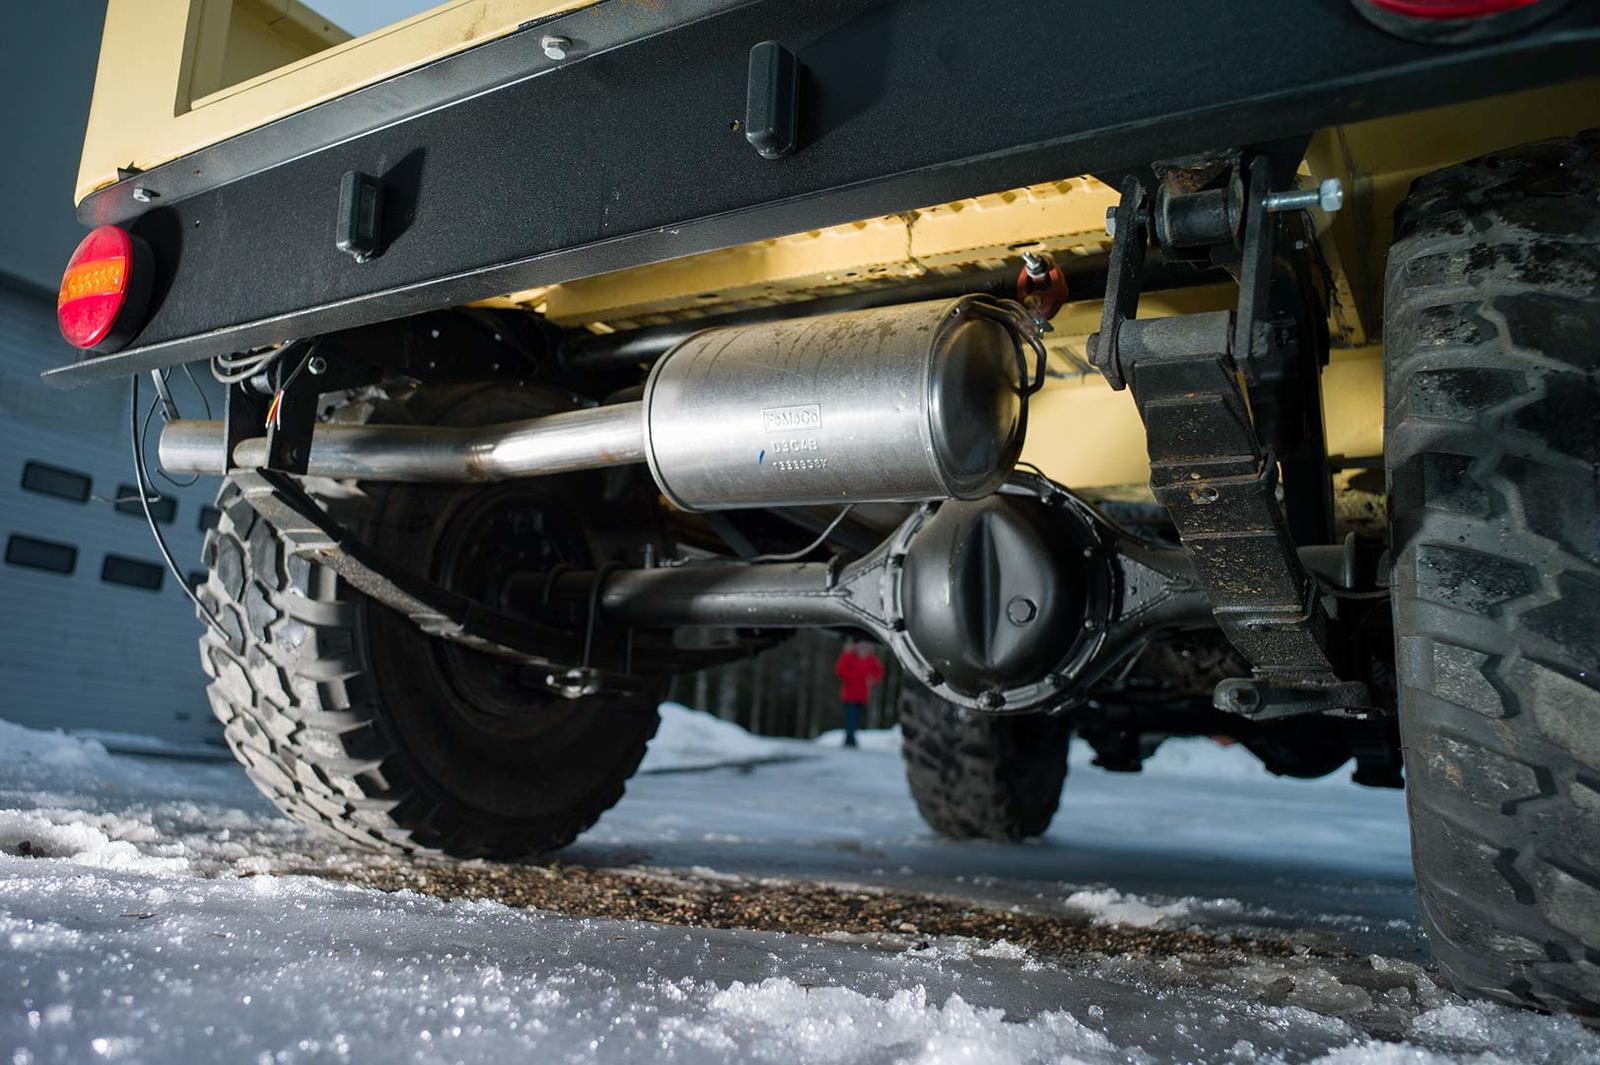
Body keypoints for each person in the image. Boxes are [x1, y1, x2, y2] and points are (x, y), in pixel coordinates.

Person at [833, 639, 884, 748]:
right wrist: (852, 677)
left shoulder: (871, 659)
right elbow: (840, 670)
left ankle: (850, 737)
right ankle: (850, 738)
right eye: (861, 646)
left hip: (862, 695)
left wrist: (871, 679)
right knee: (850, 717)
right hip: (849, 694)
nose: (863, 648)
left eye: (865, 646)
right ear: (856, 646)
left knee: (856, 718)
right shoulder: (848, 656)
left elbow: (879, 672)